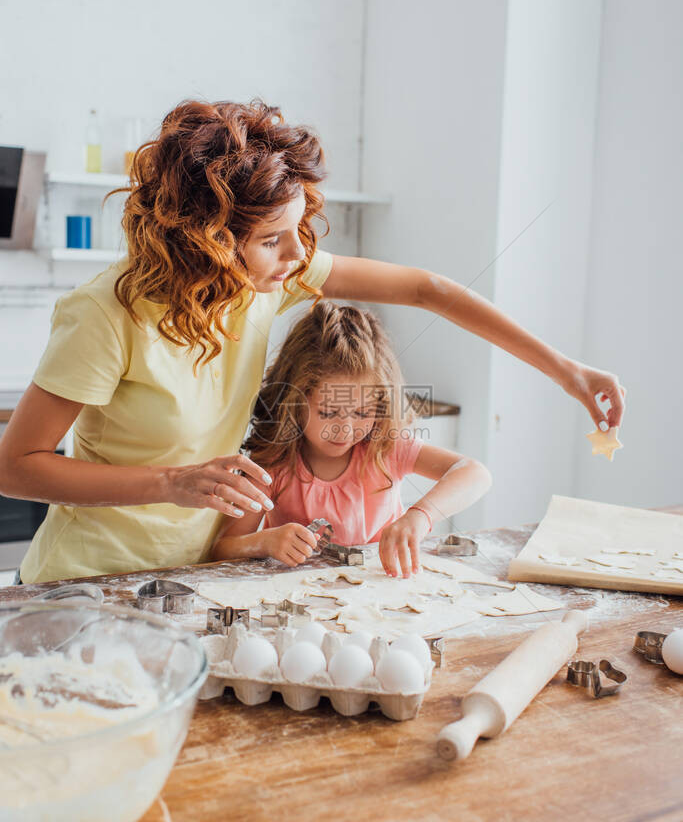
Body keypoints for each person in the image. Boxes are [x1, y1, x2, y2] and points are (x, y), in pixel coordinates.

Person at [0, 100, 624, 585]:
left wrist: (566, 371)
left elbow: (429, 290)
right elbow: (16, 466)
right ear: (206, 240)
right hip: (89, 580)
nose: (300, 255)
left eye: (299, 228)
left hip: (194, 576)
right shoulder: (106, 314)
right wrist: (170, 482)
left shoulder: (265, 278)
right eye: (274, 238)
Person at [210, 301, 492, 578]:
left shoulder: (385, 446)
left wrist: (421, 515)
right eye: (328, 412)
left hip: (377, 596)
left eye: (362, 412)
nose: (344, 430)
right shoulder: (272, 463)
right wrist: (267, 542)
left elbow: (475, 473)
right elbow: (221, 549)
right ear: (293, 402)